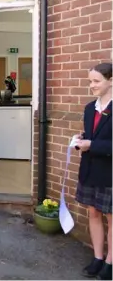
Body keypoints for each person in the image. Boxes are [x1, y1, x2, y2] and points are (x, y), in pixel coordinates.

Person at [74, 63, 112, 280]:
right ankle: (97, 257)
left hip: (109, 172)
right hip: (90, 169)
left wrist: (92, 145)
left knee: (111, 216)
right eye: (90, 81)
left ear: (111, 81)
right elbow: (93, 134)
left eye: (96, 81)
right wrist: (81, 138)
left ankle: (109, 262)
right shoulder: (90, 108)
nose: (92, 85)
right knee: (94, 213)